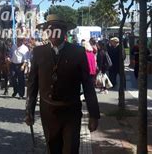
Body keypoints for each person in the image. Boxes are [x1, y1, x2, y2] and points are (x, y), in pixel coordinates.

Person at [26, 14, 99, 153]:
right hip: (48, 112)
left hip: (71, 112)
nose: (53, 32)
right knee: (52, 148)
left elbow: (88, 85)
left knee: (71, 149)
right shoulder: (38, 52)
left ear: (64, 32)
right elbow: (32, 84)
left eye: (58, 29)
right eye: (50, 29)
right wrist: (28, 110)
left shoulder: (78, 52)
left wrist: (94, 114)